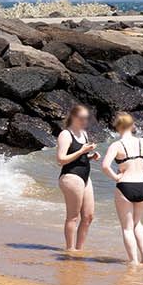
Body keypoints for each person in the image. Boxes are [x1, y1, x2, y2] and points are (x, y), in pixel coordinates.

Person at [102, 112, 143, 266]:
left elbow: (105, 166)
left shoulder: (116, 145)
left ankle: (134, 261)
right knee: (138, 223)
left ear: (117, 127)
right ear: (132, 125)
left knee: (127, 228)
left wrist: (116, 177)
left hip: (125, 185)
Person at [54, 105, 100, 252]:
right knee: (73, 216)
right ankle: (70, 249)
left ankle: (79, 250)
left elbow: (80, 157)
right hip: (70, 176)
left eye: (87, 118)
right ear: (74, 118)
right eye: (82, 118)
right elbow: (61, 159)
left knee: (88, 216)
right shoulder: (65, 135)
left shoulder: (83, 133)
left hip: (85, 176)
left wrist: (90, 156)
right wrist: (82, 150)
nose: (85, 121)